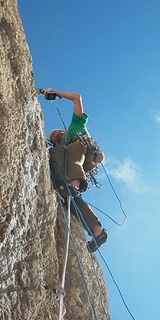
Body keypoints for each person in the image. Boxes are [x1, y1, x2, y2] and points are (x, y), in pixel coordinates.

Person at [43, 88, 108, 252]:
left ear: (63, 131)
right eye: (53, 139)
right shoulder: (63, 147)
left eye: (56, 134)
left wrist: (55, 93)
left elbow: (77, 98)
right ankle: (97, 231)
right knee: (75, 201)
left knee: (71, 158)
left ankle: (75, 184)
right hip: (84, 163)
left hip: (82, 149)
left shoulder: (75, 127)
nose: (56, 138)